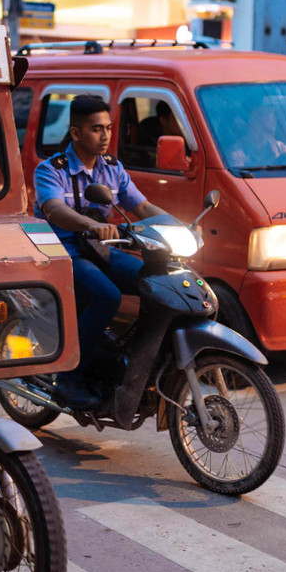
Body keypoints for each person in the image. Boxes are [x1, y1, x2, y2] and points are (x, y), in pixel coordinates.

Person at [33, 95, 170, 409]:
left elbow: (142, 205)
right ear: (76, 133)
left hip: (102, 251)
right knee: (106, 296)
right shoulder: (50, 170)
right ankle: (68, 378)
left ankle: (129, 356)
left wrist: (177, 226)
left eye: (108, 128)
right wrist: (88, 224)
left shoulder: (112, 168)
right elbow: (53, 209)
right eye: (96, 129)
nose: (106, 135)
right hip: (64, 253)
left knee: (158, 283)